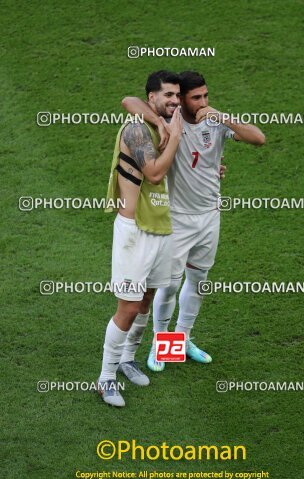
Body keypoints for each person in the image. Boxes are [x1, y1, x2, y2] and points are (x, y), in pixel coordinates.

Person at [122, 71, 266, 373]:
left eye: (206, 96)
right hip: (177, 220)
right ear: (181, 100)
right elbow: (129, 100)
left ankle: (183, 338)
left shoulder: (215, 121)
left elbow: (258, 138)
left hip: (210, 216)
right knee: (170, 286)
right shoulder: (171, 123)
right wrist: (160, 122)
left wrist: (222, 116)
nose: (203, 102)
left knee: (199, 282)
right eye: (195, 98)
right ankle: (161, 346)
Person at [98, 71, 182, 407]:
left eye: (177, 95)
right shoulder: (136, 129)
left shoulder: (160, 121)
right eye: (167, 95)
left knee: (147, 299)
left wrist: (166, 124)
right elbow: (156, 173)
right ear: (152, 98)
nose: (174, 101)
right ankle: (105, 378)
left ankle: (127, 359)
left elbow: (132, 102)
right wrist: (172, 132)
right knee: (129, 307)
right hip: (135, 232)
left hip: (161, 227)